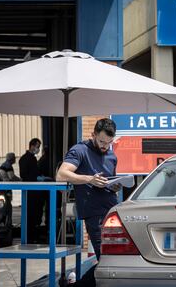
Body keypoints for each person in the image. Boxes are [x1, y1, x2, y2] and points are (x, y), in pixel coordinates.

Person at [57, 118, 121, 286]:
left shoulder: (111, 155)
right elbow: (61, 174)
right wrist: (89, 179)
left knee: (115, 260)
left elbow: (108, 178)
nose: (105, 146)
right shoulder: (80, 150)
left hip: (113, 212)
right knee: (107, 260)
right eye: (101, 141)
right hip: (94, 213)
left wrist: (115, 185)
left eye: (109, 142)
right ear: (93, 134)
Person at [19, 138, 42, 243]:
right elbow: (25, 175)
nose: (38, 149)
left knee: (31, 214)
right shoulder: (29, 159)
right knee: (32, 214)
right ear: (32, 146)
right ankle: (31, 237)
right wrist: (37, 178)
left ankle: (30, 236)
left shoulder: (26, 158)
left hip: (31, 191)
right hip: (31, 191)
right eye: (37, 147)